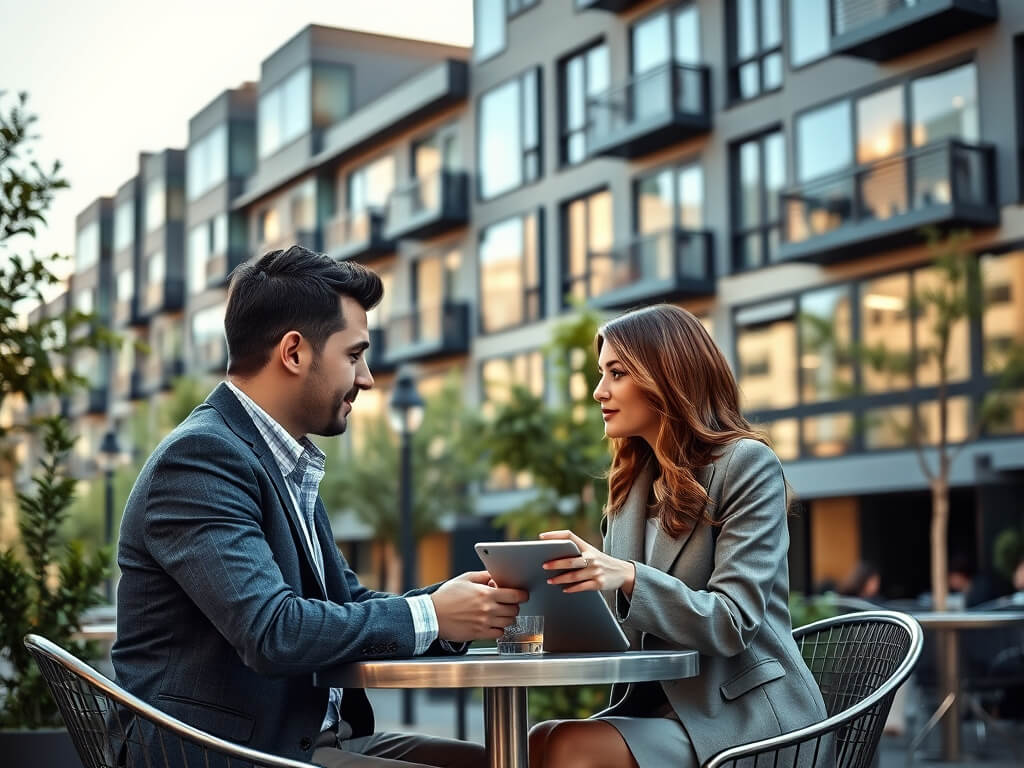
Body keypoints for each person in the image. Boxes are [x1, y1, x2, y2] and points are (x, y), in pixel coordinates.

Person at [112, 246, 527, 768]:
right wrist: (430, 616)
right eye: (354, 355)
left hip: (312, 743)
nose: (368, 378)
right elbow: (273, 632)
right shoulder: (201, 460)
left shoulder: (279, 459)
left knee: (500, 761)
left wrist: (450, 605)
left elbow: (342, 602)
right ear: (294, 352)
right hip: (229, 753)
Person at [527, 304, 830, 768]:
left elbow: (733, 622)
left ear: (666, 376)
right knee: (540, 738)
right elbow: (625, 630)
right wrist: (548, 597)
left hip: (748, 720)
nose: (598, 391)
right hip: (661, 709)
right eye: (600, 373)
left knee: (570, 747)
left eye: (617, 373)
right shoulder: (630, 486)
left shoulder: (746, 466)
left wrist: (627, 576)